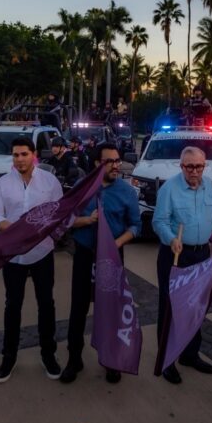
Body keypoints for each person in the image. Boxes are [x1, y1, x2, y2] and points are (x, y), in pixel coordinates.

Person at [0, 137, 64, 383]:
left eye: (23, 154)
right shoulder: (2, 184)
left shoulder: (49, 182)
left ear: (33, 155)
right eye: (15, 155)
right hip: (13, 255)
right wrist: (13, 229)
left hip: (42, 252)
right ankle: (8, 357)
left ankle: (48, 354)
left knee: (46, 304)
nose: (19, 159)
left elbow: (58, 212)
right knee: (13, 306)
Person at [63, 143, 140, 384]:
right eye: (111, 161)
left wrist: (115, 244)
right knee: (78, 308)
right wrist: (87, 220)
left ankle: (111, 360)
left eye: (118, 161)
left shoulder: (127, 192)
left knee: (110, 309)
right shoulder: (81, 188)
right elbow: (66, 219)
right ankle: (74, 359)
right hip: (85, 254)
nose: (117, 165)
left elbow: (136, 226)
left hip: (113, 257)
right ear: (97, 163)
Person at [152, 146, 212, 384]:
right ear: (181, 166)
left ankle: (190, 354)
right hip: (175, 253)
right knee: (170, 307)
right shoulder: (169, 189)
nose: (194, 171)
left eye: (199, 166)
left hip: (201, 255)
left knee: (195, 306)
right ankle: (167, 358)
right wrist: (171, 238)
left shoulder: (209, 185)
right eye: (189, 166)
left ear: (204, 165)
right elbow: (158, 221)